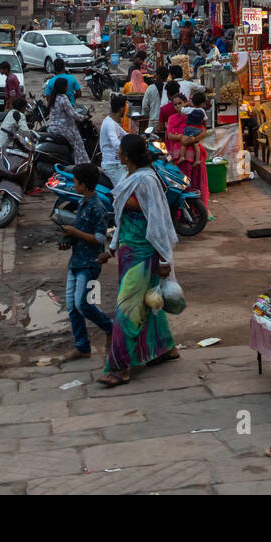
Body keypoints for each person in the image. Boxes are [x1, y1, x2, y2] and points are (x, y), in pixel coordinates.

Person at [97, 133, 182, 387]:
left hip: (144, 254)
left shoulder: (146, 181)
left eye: (120, 150)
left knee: (126, 310)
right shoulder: (130, 178)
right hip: (127, 252)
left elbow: (158, 220)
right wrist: (112, 247)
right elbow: (121, 220)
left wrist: (166, 258)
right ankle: (166, 347)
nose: (117, 153)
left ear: (126, 156)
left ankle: (119, 368)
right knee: (146, 303)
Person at [60, 162, 114, 360]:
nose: (73, 184)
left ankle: (110, 327)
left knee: (82, 304)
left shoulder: (97, 207)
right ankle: (82, 346)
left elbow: (100, 238)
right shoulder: (83, 201)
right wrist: (69, 239)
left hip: (90, 263)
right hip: (76, 261)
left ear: (83, 185)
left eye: (75, 181)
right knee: (72, 306)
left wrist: (75, 232)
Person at [170, 90, 209, 206]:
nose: (178, 106)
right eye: (175, 104)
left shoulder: (190, 114)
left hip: (194, 154)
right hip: (180, 157)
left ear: (185, 103)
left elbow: (203, 131)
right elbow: (169, 135)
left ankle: (198, 209)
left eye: (180, 103)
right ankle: (182, 210)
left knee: (196, 183)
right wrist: (182, 137)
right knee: (184, 184)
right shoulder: (172, 118)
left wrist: (192, 139)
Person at [48, 76, 90, 165]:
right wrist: (83, 118)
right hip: (63, 128)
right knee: (78, 143)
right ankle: (82, 165)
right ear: (63, 87)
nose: (68, 87)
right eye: (66, 85)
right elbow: (72, 114)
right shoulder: (63, 98)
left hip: (52, 127)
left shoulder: (53, 97)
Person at [100, 93, 129, 186]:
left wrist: (140, 138)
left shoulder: (112, 122)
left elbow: (126, 135)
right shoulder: (110, 124)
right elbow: (116, 144)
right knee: (123, 192)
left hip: (117, 164)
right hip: (113, 165)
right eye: (125, 107)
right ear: (122, 109)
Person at [141, 63, 169, 133]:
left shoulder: (150, 88)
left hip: (154, 120)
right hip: (167, 121)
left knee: (152, 140)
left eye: (155, 74)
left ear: (158, 76)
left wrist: (148, 114)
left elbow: (145, 106)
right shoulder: (170, 87)